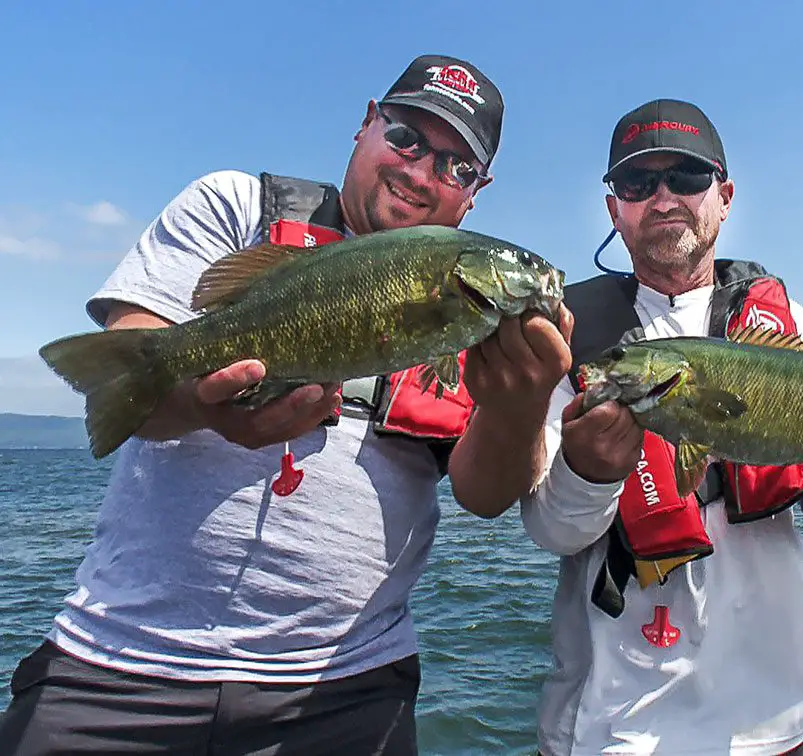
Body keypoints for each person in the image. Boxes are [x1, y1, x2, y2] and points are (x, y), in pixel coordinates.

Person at [0, 54, 571, 755]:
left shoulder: (481, 327)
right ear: (366, 125)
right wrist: (208, 406)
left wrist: (522, 404)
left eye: (457, 166)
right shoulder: (238, 206)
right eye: (407, 139)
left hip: (349, 688)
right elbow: (133, 377)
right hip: (118, 666)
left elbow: (484, 495)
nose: (423, 174)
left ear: (476, 192)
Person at [519, 99, 803, 755]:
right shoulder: (571, 338)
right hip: (619, 730)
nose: (665, 197)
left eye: (689, 178)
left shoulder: (782, 327)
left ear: (724, 197)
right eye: (639, 184)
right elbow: (552, 530)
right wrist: (588, 472)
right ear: (615, 208)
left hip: (784, 716)